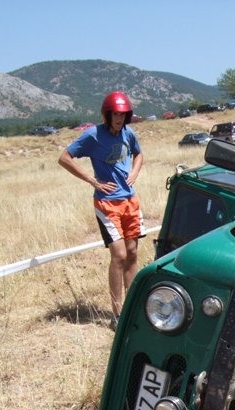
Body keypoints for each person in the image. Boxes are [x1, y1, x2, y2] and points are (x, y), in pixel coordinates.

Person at [59, 92, 145, 331]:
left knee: (132, 253)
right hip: (107, 203)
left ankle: (132, 309)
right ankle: (117, 314)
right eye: (115, 114)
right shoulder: (93, 135)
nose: (119, 118)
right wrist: (92, 180)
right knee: (119, 255)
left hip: (130, 200)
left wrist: (134, 172)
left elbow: (139, 154)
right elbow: (64, 158)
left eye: (123, 114)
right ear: (107, 114)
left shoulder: (129, 133)